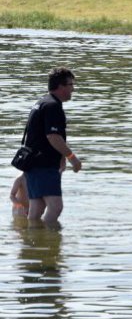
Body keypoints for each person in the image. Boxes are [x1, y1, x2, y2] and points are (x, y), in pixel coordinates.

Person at [20, 67, 82, 226]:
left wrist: (61, 159)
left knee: (37, 208)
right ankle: (49, 246)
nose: (73, 89)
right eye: (70, 85)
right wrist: (72, 158)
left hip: (33, 163)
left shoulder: (42, 102)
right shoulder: (53, 106)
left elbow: (51, 135)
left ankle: (32, 245)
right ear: (61, 86)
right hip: (43, 164)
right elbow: (53, 136)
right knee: (56, 207)